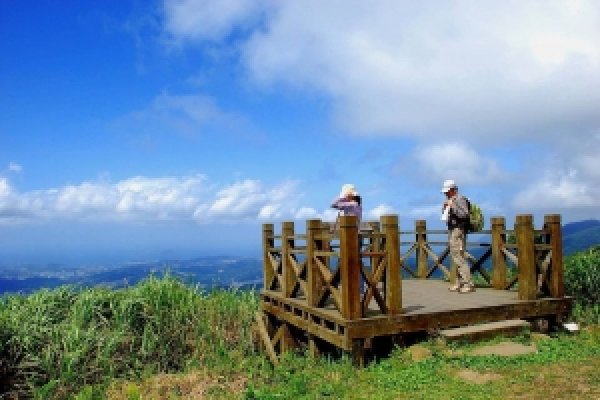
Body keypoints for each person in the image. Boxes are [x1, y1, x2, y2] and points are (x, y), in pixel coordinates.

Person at [441, 179, 475, 293]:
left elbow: (464, 214)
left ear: (453, 190)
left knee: (459, 256)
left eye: (447, 191)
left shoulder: (460, 199)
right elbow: (446, 215)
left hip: (458, 230)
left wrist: (453, 206)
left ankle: (468, 283)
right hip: (452, 229)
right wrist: (445, 207)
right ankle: (459, 283)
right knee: (455, 256)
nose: (446, 193)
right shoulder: (450, 199)